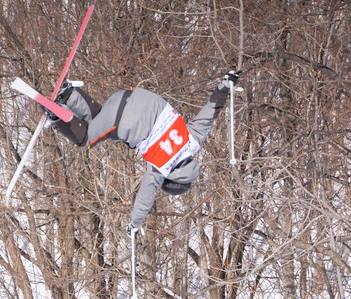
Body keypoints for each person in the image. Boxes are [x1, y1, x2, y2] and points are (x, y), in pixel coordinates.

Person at [47, 71, 241, 233]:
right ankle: (56, 115)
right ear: (170, 180)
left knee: (100, 123)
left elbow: (210, 113)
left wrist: (223, 87)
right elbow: (144, 199)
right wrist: (134, 225)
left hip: (132, 96)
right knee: (86, 139)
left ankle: (70, 95)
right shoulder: (162, 169)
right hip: (124, 118)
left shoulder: (193, 141)